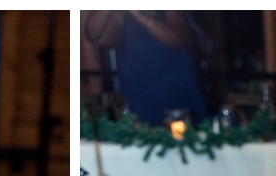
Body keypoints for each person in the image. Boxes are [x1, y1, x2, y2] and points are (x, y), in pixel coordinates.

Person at [81, 12, 209, 125]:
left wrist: (140, 16)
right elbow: (95, 35)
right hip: (140, 112)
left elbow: (179, 38)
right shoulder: (122, 17)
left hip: (180, 107)